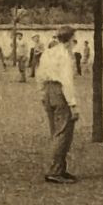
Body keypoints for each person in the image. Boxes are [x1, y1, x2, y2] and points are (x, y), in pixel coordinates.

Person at [38, 27, 80, 184]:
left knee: (55, 131)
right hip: (60, 92)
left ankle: (60, 168)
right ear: (70, 40)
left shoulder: (48, 52)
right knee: (63, 132)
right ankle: (55, 170)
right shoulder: (66, 56)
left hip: (48, 91)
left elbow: (40, 75)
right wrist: (73, 104)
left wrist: (42, 94)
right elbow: (67, 82)